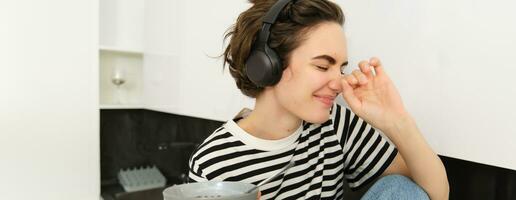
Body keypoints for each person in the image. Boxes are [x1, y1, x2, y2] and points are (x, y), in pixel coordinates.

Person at [188, 0, 449, 199]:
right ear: (269, 65)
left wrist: (396, 120)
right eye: (323, 67)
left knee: (400, 189)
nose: (339, 84)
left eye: (341, 68)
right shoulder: (215, 162)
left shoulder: (335, 124)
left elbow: (433, 193)